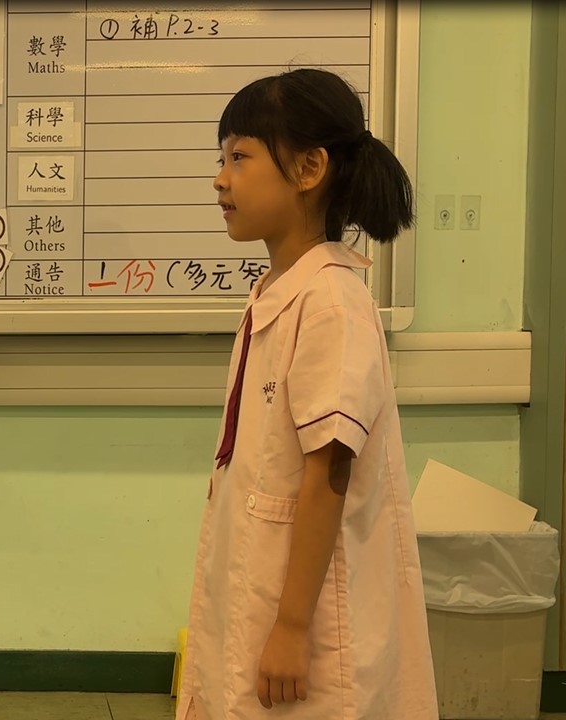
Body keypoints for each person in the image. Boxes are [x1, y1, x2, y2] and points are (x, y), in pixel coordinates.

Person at [176, 68, 438, 719]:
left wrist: (292, 628)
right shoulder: (277, 293)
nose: (220, 179)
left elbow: (329, 472)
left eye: (239, 157)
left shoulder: (331, 303)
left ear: (309, 168)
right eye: (221, 159)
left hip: (313, 622)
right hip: (260, 585)